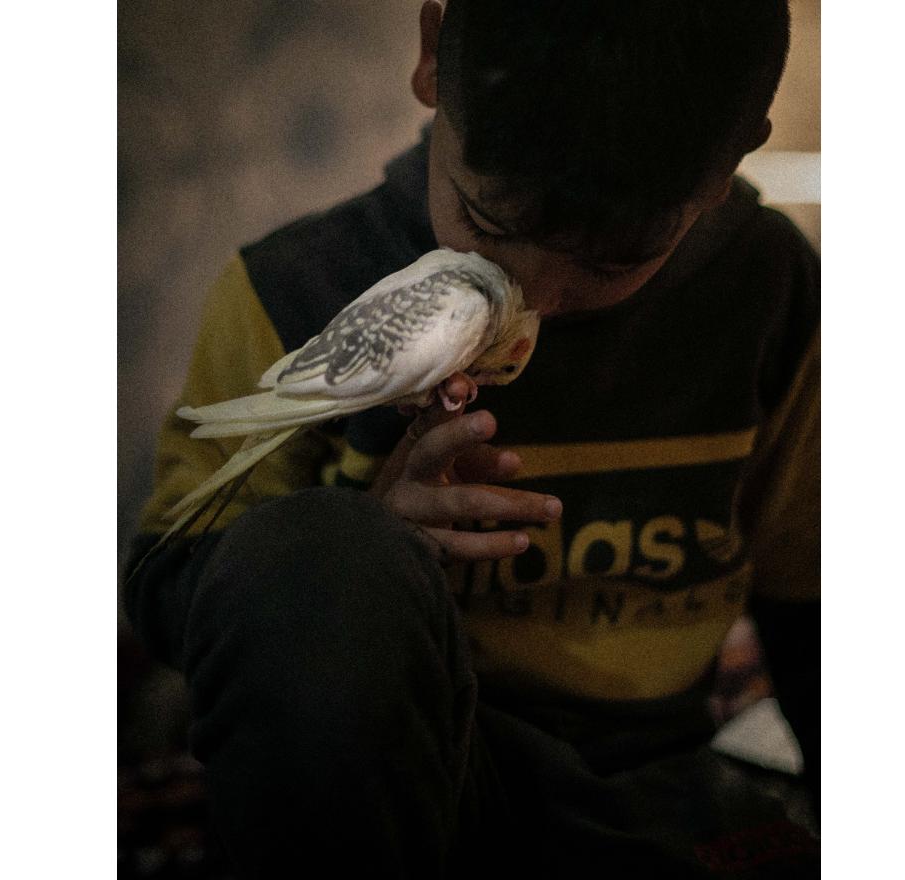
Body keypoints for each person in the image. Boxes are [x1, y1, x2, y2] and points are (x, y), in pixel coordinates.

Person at [125, 1, 819, 876]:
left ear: (734, 157)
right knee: (324, 549)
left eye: (609, 263)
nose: (529, 294)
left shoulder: (769, 290)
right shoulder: (291, 289)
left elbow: (817, 613)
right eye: (488, 227)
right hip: (379, 778)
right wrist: (363, 549)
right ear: (428, 54)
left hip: (643, 790)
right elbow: (161, 587)